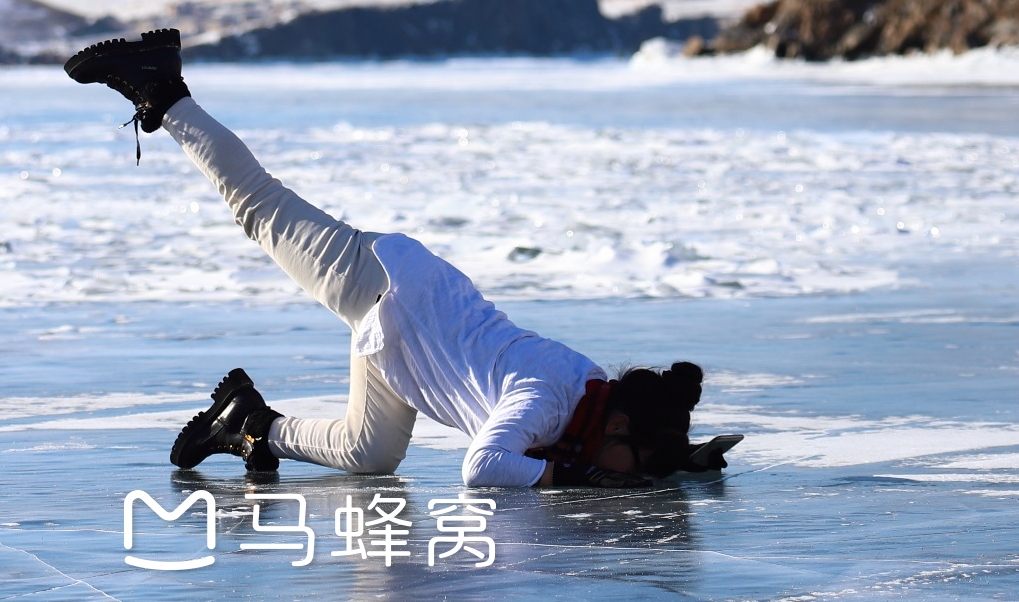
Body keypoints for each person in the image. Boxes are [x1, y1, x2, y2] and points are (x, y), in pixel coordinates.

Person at [64, 28, 741, 488]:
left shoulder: (596, 400)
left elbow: (626, 450)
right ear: (618, 424)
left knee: (371, 453)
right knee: (257, 205)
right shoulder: (548, 396)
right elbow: (484, 465)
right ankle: (163, 89)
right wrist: (572, 479)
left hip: (408, 339)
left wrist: (683, 459)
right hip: (386, 286)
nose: (631, 479)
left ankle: (248, 423)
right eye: (636, 464)